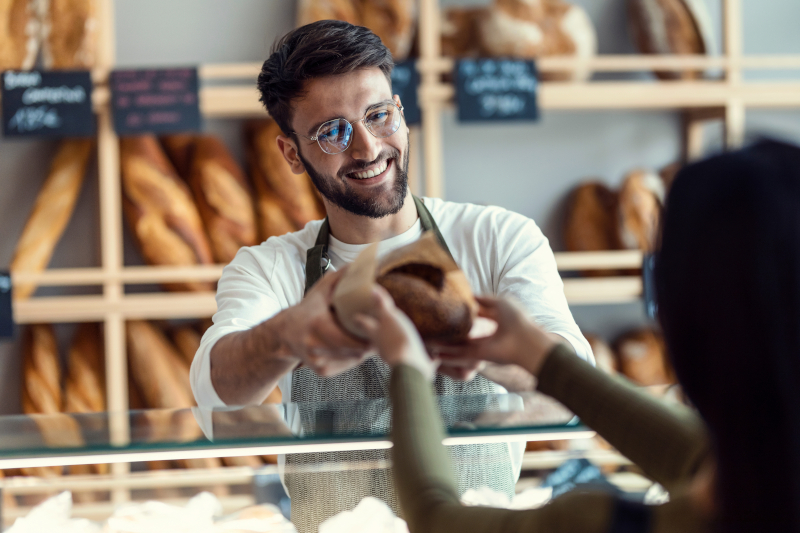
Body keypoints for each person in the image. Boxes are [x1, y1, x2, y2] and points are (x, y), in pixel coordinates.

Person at [190, 19, 591, 531]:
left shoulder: (498, 238)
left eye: (378, 115)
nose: (367, 148)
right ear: (292, 153)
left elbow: (576, 387)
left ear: (401, 113)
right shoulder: (269, 268)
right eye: (332, 132)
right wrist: (290, 333)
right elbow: (216, 402)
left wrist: (477, 339)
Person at [359, 139, 800, 532]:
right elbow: (688, 450)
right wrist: (538, 355)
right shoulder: (767, 477)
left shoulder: (597, 522)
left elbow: (437, 518)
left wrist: (407, 368)